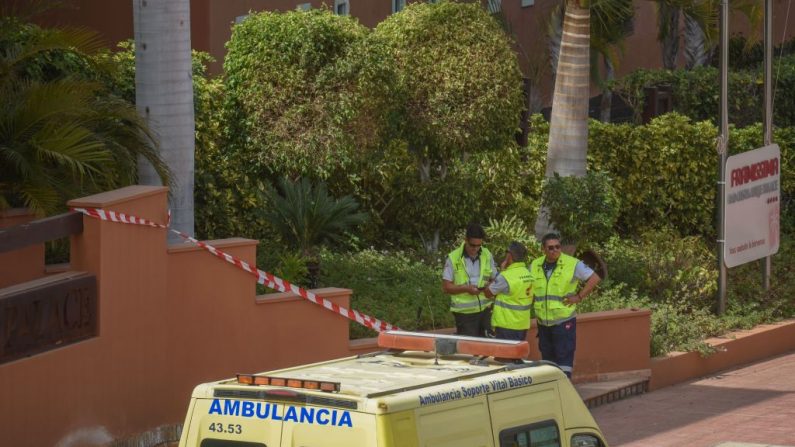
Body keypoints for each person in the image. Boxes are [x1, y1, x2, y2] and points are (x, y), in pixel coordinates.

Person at [530, 232, 601, 378]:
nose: (555, 250)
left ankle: (565, 394)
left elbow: (594, 278)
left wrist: (579, 296)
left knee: (563, 361)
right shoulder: (535, 264)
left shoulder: (572, 263)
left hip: (564, 322)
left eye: (557, 247)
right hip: (543, 323)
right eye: (550, 248)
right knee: (547, 362)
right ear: (543, 249)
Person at [442, 223, 497, 337]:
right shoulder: (453, 258)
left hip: (485, 311)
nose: (475, 249)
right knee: (469, 350)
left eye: (479, 245)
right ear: (466, 240)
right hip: (465, 315)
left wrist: (489, 286)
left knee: (487, 348)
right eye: (472, 245)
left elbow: (494, 279)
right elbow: (446, 287)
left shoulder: (487, 254)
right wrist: (466, 289)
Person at [483, 241, 533, 341]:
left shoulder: (506, 276)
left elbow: (488, 293)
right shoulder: (527, 273)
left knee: (505, 355)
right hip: (522, 324)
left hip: (507, 325)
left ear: (509, 255)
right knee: (516, 354)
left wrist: (501, 272)